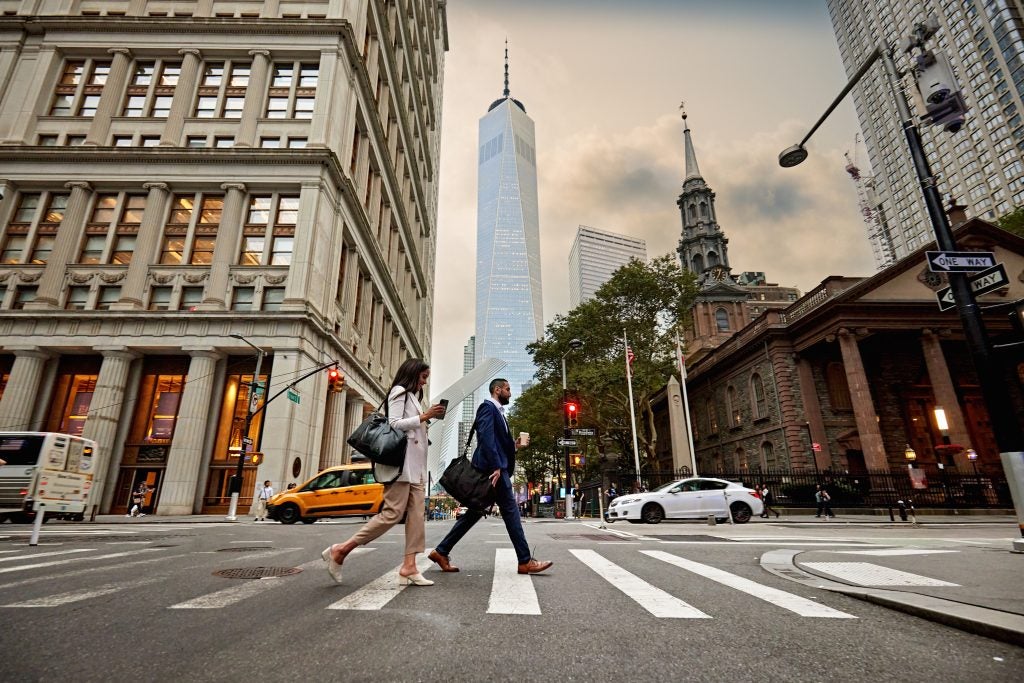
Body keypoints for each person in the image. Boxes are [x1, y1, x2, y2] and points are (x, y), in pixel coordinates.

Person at [321, 358, 445, 586]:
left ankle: (410, 566)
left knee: (417, 517)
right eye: (423, 377)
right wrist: (424, 416)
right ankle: (340, 550)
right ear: (413, 373)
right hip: (400, 466)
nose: (424, 382)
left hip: (416, 468)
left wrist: (425, 420)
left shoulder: (413, 398)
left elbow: (413, 427)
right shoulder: (399, 391)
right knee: (392, 514)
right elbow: (395, 423)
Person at [427, 378, 553, 576]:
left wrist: (514, 446)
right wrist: (496, 466)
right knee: (511, 511)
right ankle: (525, 561)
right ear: (497, 390)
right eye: (508, 389)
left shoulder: (499, 413)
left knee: (475, 512)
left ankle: (441, 551)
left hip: (495, 468)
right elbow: (485, 437)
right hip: (493, 471)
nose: (510, 393)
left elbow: (496, 442)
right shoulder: (488, 408)